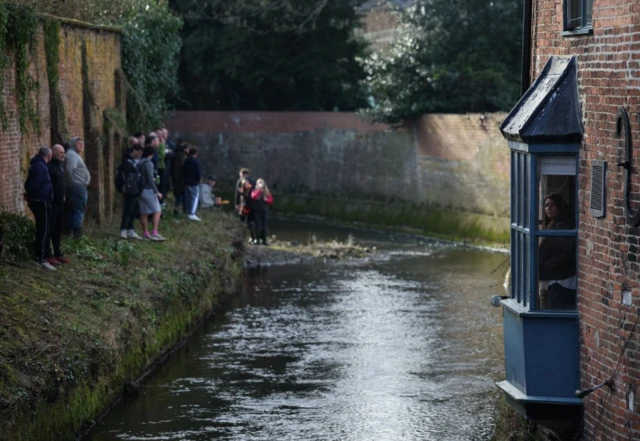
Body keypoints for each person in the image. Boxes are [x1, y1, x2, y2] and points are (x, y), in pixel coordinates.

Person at [539, 194, 576, 310]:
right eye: (546, 206)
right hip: (554, 277)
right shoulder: (552, 224)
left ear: (559, 206)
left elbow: (568, 252)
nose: (548, 208)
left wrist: (549, 265)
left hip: (560, 280)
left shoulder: (561, 226)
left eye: (552, 205)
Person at [24, 147, 55, 271]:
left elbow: (28, 184)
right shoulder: (40, 167)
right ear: (49, 156)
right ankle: (40, 258)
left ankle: (41, 257)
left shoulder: (38, 166)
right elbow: (33, 185)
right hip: (41, 201)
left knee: (44, 229)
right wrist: (35, 196)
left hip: (41, 200)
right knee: (44, 230)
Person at [46, 144, 71, 265]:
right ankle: (47, 254)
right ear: (54, 152)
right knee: (49, 228)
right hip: (52, 203)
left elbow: (62, 183)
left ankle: (58, 253)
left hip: (60, 203)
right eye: (61, 152)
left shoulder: (60, 166)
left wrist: (64, 195)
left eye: (63, 152)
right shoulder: (49, 167)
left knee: (58, 229)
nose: (63, 154)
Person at [64, 137, 91, 239]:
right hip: (76, 187)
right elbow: (68, 170)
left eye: (82, 144)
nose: (81, 146)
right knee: (78, 210)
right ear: (73, 144)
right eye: (79, 143)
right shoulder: (72, 155)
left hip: (77, 186)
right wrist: (69, 181)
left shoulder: (74, 155)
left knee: (74, 210)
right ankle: (77, 236)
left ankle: (70, 233)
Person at [137, 146, 166, 241]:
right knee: (157, 211)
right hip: (148, 190)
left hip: (140, 189)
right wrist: (156, 191)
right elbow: (149, 177)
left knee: (144, 212)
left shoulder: (139, 162)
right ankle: (154, 232)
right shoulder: (149, 163)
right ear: (152, 154)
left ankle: (145, 233)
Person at [119, 144, 144, 239]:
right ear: (134, 150)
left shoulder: (134, 162)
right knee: (128, 210)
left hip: (135, 190)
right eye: (139, 152)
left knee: (133, 210)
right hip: (130, 190)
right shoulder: (127, 163)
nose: (140, 155)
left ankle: (130, 229)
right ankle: (123, 229)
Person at [251, 178, 274, 245]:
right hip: (256, 211)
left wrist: (266, 199)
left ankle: (264, 240)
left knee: (264, 225)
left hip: (264, 211)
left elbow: (271, 200)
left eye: (262, 183)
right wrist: (259, 190)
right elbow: (253, 197)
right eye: (259, 183)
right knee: (258, 225)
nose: (261, 184)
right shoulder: (254, 191)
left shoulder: (267, 192)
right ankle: (257, 239)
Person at [183, 146, 202, 221]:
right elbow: (198, 172)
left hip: (186, 181)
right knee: (195, 197)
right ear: (196, 153)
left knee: (187, 197)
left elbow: (183, 169)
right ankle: (192, 213)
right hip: (194, 182)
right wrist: (199, 179)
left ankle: (187, 211)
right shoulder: (196, 162)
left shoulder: (186, 160)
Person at [172, 142, 189, 215]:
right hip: (182, 178)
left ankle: (178, 207)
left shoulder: (176, 155)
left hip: (176, 177)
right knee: (183, 194)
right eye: (188, 149)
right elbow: (184, 167)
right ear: (185, 149)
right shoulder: (184, 157)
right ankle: (183, 209)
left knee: (179, 194)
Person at [239, 178, 257, 244]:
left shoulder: (252, 190)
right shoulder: (242, 190)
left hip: (250, 209)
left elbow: (249, 199)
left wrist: (243, 194)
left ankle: (252, 238)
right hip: (243, 209)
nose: (246, 185)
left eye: (247, 184)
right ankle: (242, 238)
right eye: (244, 184)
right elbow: (241, 200)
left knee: (250, 224)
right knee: (242, 224)